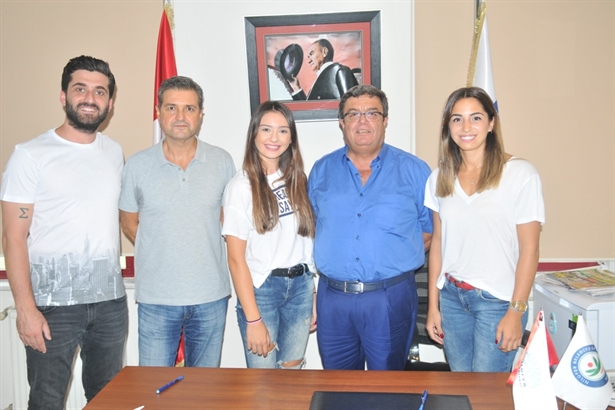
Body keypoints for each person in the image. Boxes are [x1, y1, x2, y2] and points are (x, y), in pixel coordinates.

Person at [1, 55, 127, 408]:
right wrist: (26, 309)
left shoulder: (114, 152)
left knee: (108, 400)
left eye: (100, 91)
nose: (90, 98)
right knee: (46, 400)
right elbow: (13, 237)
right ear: (63, 96)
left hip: (109, 303)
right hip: (51, 307)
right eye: (80, 89)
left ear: (110, 103)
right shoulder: (30, 155)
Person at [308, 84, 433, 370]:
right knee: (338, 386)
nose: (362, 121)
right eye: (353, 114)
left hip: (389, 298)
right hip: (333, 299)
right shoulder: (321, 170)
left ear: (385, 120)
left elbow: (428, 233)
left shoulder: (415, 171)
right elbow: (314, 227)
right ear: (342, 123)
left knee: (387, 386)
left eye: (372, 113)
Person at [424, 87, 545, 372]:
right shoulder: (439, 178)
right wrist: (433, 307)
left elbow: (530, 249)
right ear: (448, 126)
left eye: (475, 118)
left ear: (491, 123)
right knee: (461, 386)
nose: (466, 127)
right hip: (452, 299)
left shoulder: (520, 174)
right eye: (457, 119)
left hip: (497, 303)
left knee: (486, 391)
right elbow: (438, 243)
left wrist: (516, 310)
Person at [119, 76, 235, 368]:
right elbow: (129, 222)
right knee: (154, 386)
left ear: (201, 114)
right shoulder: (137, 165)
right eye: (171, 108)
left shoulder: (222, 161)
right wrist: (162, 247)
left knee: (204, 388)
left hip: (210, 297)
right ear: (158, 112)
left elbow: (227, 221)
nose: (180, 116)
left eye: (189, 108)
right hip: (156, 299)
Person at [222, 101, 317, 369]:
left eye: (283, 131)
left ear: (291, 138)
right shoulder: (240, 187)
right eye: (266, 129)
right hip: (262, 290)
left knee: (292, 373)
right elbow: (236, 259)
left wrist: (312, 294)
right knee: (263, 382)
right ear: (254, 134)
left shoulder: (298, 180)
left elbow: (305, 243)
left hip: (300, 287)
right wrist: (253, 319)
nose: (274, 138)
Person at [290, 39, 358, 101]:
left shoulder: (340, 71)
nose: (309, 61)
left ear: (324, 52)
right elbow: (309, 107)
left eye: (311, 53)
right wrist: (296, 88)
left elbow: (350, 104)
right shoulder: (320, 78)